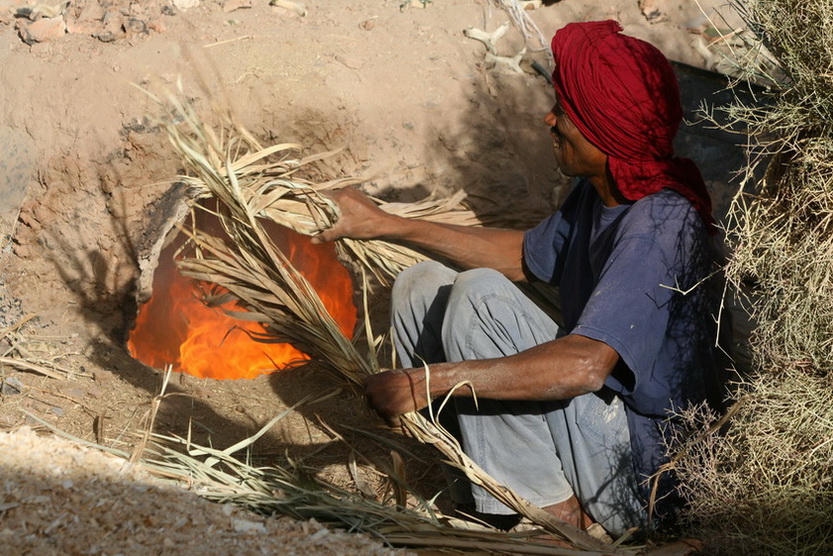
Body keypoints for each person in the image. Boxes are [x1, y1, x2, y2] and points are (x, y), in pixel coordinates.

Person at [312, 20, 727, 538]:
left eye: (567, 113)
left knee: (480, 300)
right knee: (421, 286)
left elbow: (585, 366)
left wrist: (427, 383)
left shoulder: (660, 223)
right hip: (600, 436)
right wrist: (387, 225)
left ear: (604, 133)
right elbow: (525, 259)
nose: (549, 119)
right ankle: (483, 488)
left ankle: (552, 519)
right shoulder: (601, 190)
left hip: (644, 479)